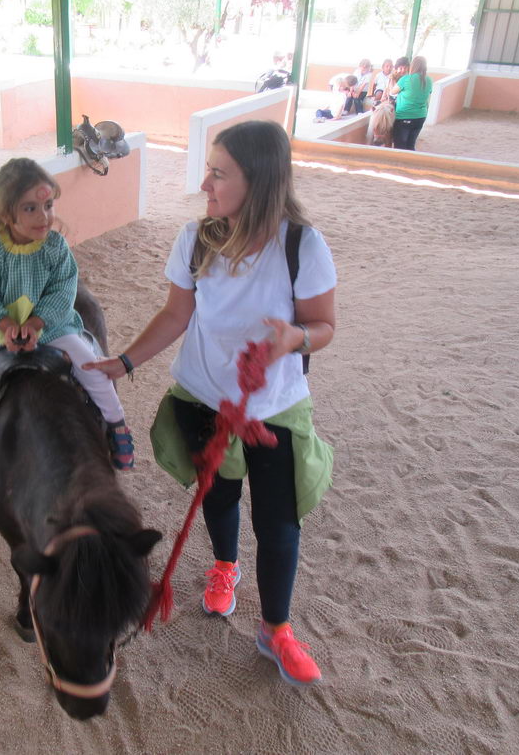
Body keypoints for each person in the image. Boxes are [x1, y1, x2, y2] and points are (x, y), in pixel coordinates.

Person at [84, 121, 336, 685]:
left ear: (260, 180)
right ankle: (225, 567)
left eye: (219, 173)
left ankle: (276, 631)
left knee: (278, 524)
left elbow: (325, 325)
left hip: (273, 407)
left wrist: (296, 339)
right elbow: (178, 314)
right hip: (202, 397)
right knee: (218, 496)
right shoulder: (196, 238)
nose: (205, 184)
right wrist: (124, 362)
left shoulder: (303, 246)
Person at [0, 158, 134, 484]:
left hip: (51, 327)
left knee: (90, 364)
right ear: (7, 215)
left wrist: (36, 323)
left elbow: (63, 291)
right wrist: (6, 327)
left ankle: (116, 424)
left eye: (48, 205)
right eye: (31, 208)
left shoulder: (56, 246)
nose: (45, 216)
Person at [390, 55, 433, 151]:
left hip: (404, 116)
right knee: (410, 145)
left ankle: (399, 166)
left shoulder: (406, 79)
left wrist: (392, 80)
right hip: (421, 116)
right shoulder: (429, 80)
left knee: (400, 146)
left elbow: (392, 92)